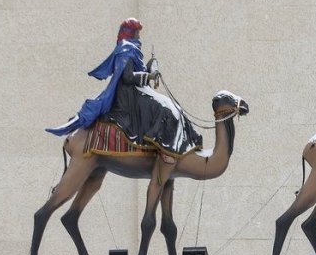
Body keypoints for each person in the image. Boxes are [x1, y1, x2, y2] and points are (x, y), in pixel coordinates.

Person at [45, 18, 200, 162]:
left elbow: (137, 71)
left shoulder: (132, 49)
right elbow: (128, 77)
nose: (139, 36)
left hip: (136, 90)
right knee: (161, 108)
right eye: (137, 32)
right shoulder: (125, 50)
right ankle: (157, 144)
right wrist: (149, 76)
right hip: (128, 96)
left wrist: (151, 66)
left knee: (165, 103)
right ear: (130, 33)